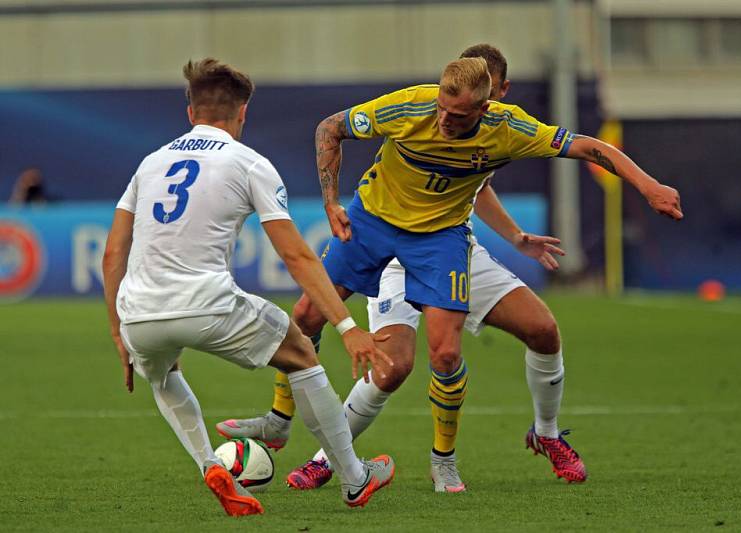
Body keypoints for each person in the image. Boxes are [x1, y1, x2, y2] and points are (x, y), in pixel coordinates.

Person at [219, 52, 682, 493]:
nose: (444, 120)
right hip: (373, 223)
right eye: (442, 108)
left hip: (440, 240)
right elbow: (330, 128)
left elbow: (587, 147)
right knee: (308, 314)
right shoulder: (410, 106)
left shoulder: (508, 128)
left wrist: (648, 184)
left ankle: (445, 460)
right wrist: (330, 200)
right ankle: (280, 424)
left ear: (487, 104)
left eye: (458, 116)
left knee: (445, 354)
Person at [102, 58, 395, 517]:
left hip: (139, 312)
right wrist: (346, 326)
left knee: (163, 376)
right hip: (206, 303)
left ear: (190, 112)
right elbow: (296, 254)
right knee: (300, 353)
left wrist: (119, 332)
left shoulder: (150, 164)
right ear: (242, 114)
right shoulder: (248, 162)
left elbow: (113, 253)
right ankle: (355, 479)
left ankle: (208, 465)